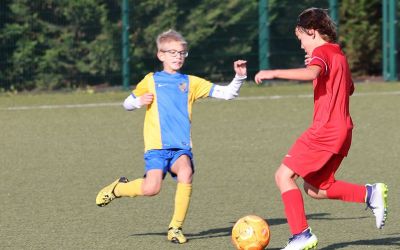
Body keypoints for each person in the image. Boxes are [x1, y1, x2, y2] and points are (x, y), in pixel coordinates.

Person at [96, 29, 247, 244]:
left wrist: (239, 77)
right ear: (161, 55)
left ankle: (175, 228)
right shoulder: (151, 80)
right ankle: (118, 188)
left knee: (186, 172)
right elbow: (127, 103)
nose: (178, 57)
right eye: (173, 52)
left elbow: (228, 93)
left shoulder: (191, 82)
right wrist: (139, 102)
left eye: (182, 53)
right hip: (156, 147)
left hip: (180, 147)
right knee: (152, 188)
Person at [254, 8, 388, 250]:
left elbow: (312, 72)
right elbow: (349, 88)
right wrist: (322, 72)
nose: (302, 46)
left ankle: (301, 235)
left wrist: (273, 72)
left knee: (283, 176)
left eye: (301, 39)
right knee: (317, 188)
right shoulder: (338, 54)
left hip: (325, 130)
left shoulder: (323, 52)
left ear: (312, 32)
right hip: (343, 131)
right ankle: (369, 194)